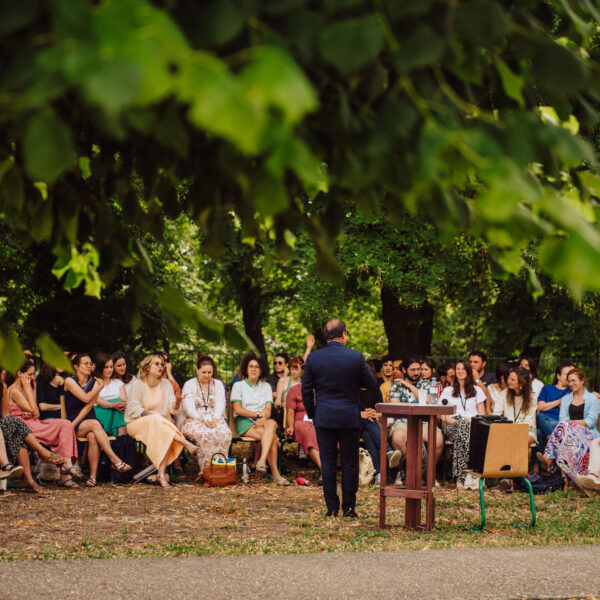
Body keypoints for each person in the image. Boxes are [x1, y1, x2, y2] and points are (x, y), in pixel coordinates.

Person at [302, 318, 378, 518]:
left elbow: (306, 390)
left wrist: (313, 413)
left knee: (327, 463)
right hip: (349, 417)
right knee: (349, 463)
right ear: (344, 333)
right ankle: (349, 507)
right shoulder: (355, 357)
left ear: (325, 336)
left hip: (324, 416)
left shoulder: (314, 358)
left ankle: (332, 508)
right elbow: (371, 383)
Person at [125, 354, 196, 487]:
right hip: (137, 423)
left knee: (165, 432)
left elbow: (172, 408)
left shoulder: (166, 385)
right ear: (147, 367)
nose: (161, 367)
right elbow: (133, 408)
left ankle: (161, 475)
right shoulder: (138, 384)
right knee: (159, 419)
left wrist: (177, 401)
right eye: (156, 364)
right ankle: (184, 442)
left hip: (160, 425)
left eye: (162, 364)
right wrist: (152, 415)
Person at [8, 361, 80, 488]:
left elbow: (35, 414)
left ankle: (67, 464)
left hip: (34, 422)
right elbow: (35, 411)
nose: (31, 377)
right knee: (60, 427)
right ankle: (64, 474)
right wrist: (28, 389)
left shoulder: (31, 386)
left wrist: (32, 411)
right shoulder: (14, 390)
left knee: (66, 424)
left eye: (32, 374)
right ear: (19, 373)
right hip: (21, 426)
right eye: (29, 374)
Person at [64, 353, 132, 487]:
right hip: (74, 419)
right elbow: (85, 398)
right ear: (76, 367)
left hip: (89, 418)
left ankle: (93, 478)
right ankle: (115, 460)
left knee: (93, 435)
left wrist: (98, 386)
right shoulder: (69, 381)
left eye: (90, 363)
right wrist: (73, 424)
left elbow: (89, 406)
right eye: (85, 363)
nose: (89, 366)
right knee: (95, 425)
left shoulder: (94, 382)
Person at [231, 352, 289, 485]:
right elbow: (238, 409)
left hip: (263, 421)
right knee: (273, 438)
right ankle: (275, 474)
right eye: (251, 366)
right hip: (245, 422)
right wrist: (258, 415)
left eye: (257, 367)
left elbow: (268, 410)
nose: (253, 369)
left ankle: (262, 461)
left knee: (272, 423)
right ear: (246, 368)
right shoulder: (238, 386)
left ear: (261, 369)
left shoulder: (266, 386)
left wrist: (263, 418)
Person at [538, 368, 599, 489]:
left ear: (582, 380)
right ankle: (564, 480)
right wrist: (570, 426)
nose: (570, 384)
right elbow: (562, 419)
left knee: (564, 428)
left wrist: (572, 423)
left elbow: (590, 422)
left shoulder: (592, 399)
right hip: (570, 433)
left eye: (573, 380)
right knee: (564, 435)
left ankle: (549, 458)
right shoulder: (566, 399)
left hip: (588, 434)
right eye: (569, 381)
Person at [388, 357, 442, 486]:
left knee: (437, 438)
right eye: (412, 370)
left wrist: (409, 386)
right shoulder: (396, 384)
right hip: (402, 421)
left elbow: (428, 401)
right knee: (399, 437)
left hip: (423, 422)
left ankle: (428, 474)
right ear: (404, 370)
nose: (416, 372)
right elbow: (394, 404)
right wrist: (418, 402)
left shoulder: (425, 383)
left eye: (418, 369)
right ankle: (404, 472)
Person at [177, 354, 232, 477]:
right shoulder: (189, 384)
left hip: (214, 416)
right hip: (193, 418)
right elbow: (187, 408)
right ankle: (206, 472)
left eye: (209, 372)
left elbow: (220, 402)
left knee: (224, 433)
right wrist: (201, 420)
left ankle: (220, 470)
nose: (207, 375)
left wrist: (216, 419)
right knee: (205, 434)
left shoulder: (217, 384)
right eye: (204, 372)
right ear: (197, 370)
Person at [439, 360, 486, 488]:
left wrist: (473, 422)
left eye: (463, 369)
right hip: (452, 424)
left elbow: (481, 414)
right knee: (463, 427)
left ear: (468, 372)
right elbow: (441, 415)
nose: (460, 371)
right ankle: (472, 475)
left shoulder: (477, 390)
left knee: (465, 433)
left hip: (473, 426)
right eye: (458, 369)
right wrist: (458, 422)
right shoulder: (448, 390)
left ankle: (460, 478)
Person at [285, 372, 322, 481]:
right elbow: (290, 412)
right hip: (301, 420)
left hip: (319, 419)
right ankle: (325, 470)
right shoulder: (294, 390)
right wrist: (290, 426)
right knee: (309, 433)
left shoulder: (323, 390)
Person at [492, 367, 537, 445]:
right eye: (509, 378)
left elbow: (529, 420)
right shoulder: (503, 394)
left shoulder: (532, 398)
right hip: (507, 428)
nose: (508, 381)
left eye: (512, 380)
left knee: (524, 439)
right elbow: (496, 415)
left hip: (526, 430)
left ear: (521, 383)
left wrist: (517, 430)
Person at [536, 362, 575, 452]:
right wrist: (559, 401)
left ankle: (546, 462)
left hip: (561, 422)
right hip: (545, 421)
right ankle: (556, 440)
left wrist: (548, 405)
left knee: (539, 433)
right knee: (539, 416)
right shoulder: (547, 388)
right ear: (558, 376)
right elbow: (541, 407)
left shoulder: (572, 390)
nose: (569, 377)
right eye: (566, 374)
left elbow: (593, 394)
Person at [93, 353, 127, 437]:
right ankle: (121, 439)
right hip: (100, 412)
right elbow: (98, 400)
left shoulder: (118, 383)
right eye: (106, 367)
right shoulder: (96, 382)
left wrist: (118, 405)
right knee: (118, 403)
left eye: (111, 367)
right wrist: (113, 405)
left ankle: (119, 438)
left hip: (117, 412)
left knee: (120, 405)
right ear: (101, 368)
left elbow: (124, 400)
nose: (109, 370)